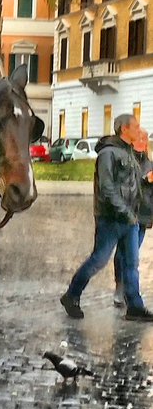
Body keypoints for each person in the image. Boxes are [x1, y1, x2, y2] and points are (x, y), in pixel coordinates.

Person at [60, 113, 153, 322]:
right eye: (135, 127)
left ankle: (135, 306)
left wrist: (138, 205)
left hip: (130, 219)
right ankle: (71, 295)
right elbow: (107, 188)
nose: (139, 131)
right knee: (98, 260)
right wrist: (126, 212)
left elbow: (134, 184)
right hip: (110, 219)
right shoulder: (108, 153)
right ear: (124, 129)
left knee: (131, 263)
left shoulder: (129, 152)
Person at [114, 126, 153, 306]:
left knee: (132, 254)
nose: (142, 143)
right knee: (125, 254)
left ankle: (128, 291)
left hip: (144, 215)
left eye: (145, 140)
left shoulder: (149, 161)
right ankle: (121, 289)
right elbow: (122, 183)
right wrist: (145, 179)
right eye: (139, 139)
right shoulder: (125, 159)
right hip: (128, 215)